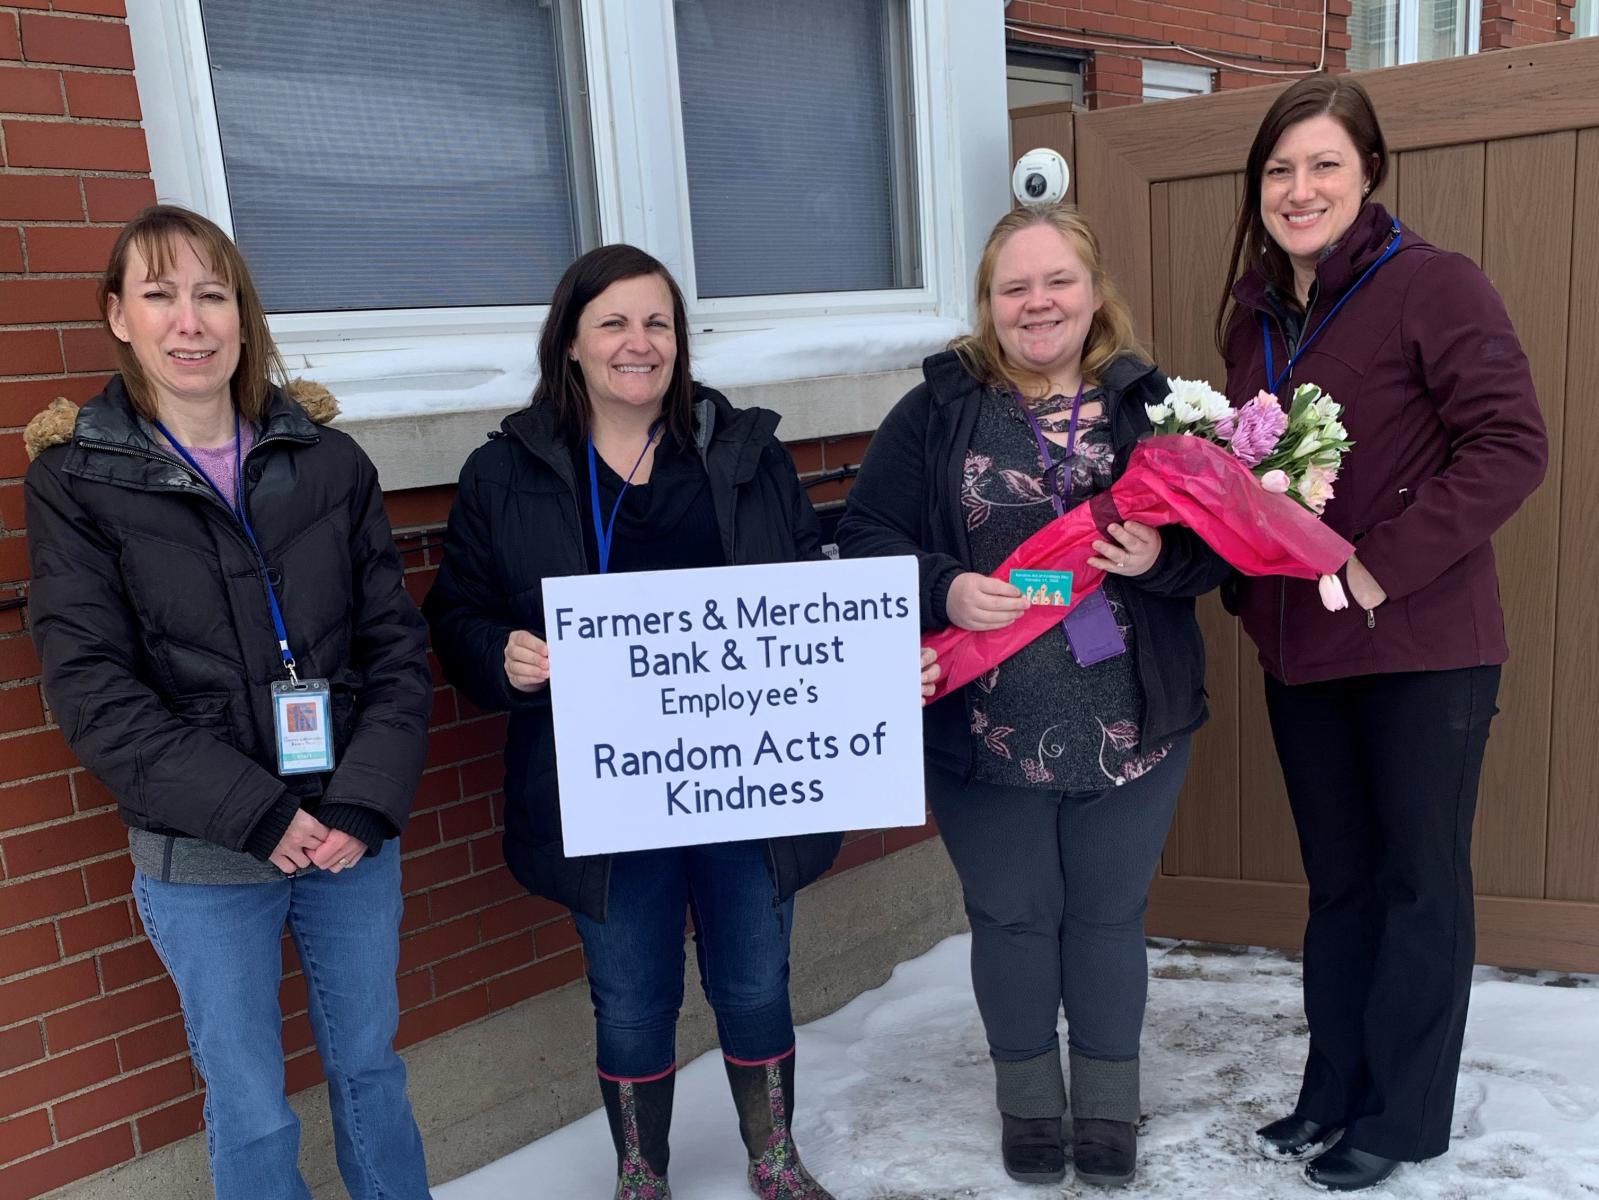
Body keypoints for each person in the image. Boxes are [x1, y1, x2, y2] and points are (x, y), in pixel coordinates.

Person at [423, 243, 938, 1200]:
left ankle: (773, 1159)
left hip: (746, 776)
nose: (638, 342)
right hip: (604, 789)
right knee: (629, 995)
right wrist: (501, 653)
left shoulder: (740, 453)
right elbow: (454, 614)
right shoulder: (508, 472)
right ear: (571, 342)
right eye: (613, 322)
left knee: (753, 980)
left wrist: (867, 669)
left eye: (656, 322)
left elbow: (808, 596)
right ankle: (640, 1171)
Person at [23, 205, 434, 1200]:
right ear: (119, 316)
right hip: (206, 856)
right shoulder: (75, 481)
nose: (190, 320)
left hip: (345, 839)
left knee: (371, 1070)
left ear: (242, 318)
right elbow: (92, 689)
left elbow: (396, 651)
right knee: (249, 1102)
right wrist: (254, 812)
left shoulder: (326, 464)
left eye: (212, 294)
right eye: (160, 294)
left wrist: (361, 804)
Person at [838, 204, 1230, 1189]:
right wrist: (942, 588)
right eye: (1015, 287)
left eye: (1057, 281)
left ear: (1094, 292)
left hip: (1132, 729)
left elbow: (1222, 548)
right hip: (985, 727)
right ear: (989, 304)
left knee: (1106, 916)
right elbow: (866, 532)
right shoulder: (936, 412)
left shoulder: (1156, 405)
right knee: (1012, 917)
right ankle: (1028, 1107)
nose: (1038, 302)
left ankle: (1105, 1107)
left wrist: (1161, 555)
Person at [1216, 75, 1547, 1192]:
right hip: (1302, 654)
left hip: (1421, 649)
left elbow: (1509, 445)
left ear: (1368, 175)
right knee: (1341, 885)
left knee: (1417, 883)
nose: (1298, 189)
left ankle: (1401, 1118)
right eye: (1278, 170)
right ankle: (1333, 1090)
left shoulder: (1434, 287)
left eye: (1322, 166)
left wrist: (1376, 567)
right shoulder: (1256, 319)